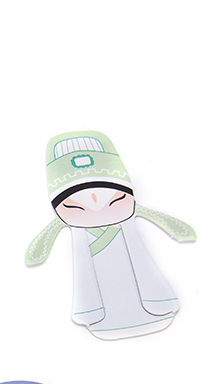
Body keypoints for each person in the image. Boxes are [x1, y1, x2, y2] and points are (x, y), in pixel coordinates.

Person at [26, 132, 196, 339]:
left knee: (140, 269)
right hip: (103, 311)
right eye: (75, 205)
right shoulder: (81, 231)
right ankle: (94, 310)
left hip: (145, 294)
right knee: (88, 277)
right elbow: (39, 248)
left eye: (116, 199)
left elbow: (38, 250)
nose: (95, 202)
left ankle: (156, 302)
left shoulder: (124, 220)